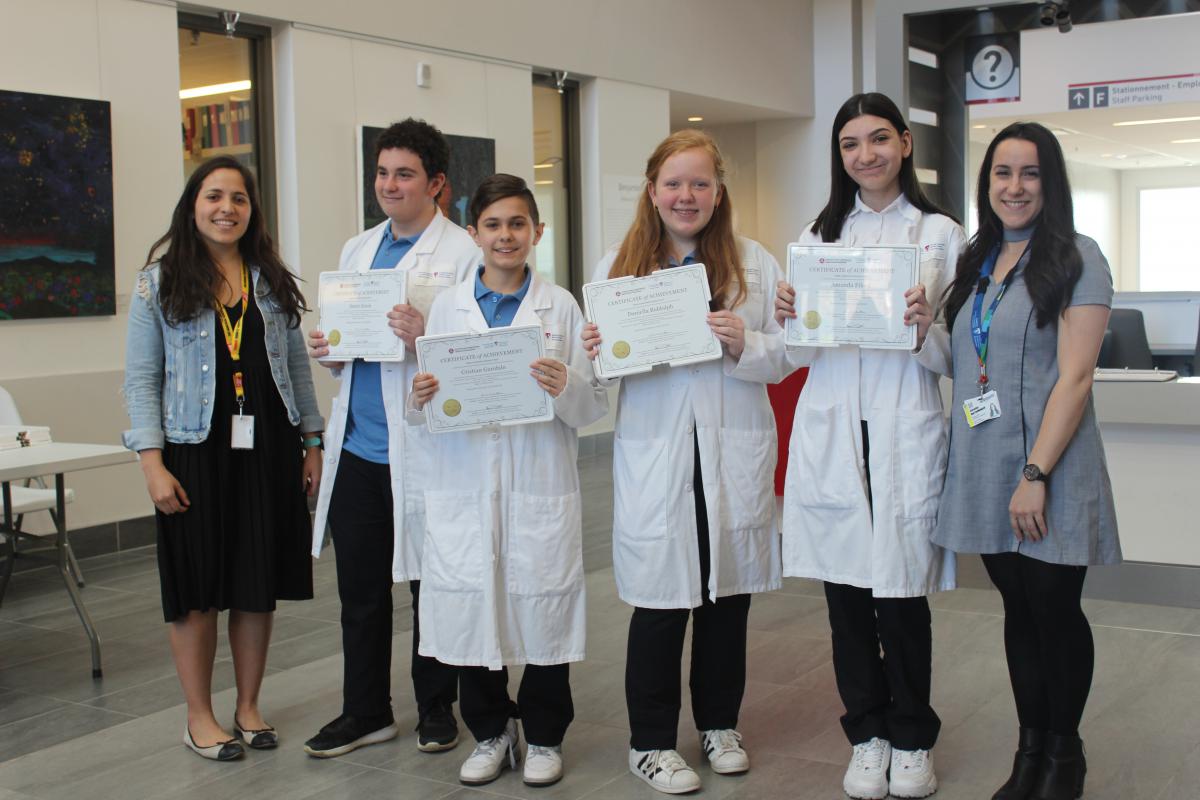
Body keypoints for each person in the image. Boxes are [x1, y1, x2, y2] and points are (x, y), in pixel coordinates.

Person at [582, 130, 786, 795]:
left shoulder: (753, 263)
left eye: (700, 183)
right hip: (659, 453)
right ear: (652, 190)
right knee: (660, 603)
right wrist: (596, 348)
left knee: (727, 598)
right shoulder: (620, 264)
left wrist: (746, 342)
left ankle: (720, 726)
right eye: (673, 183)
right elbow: (601, 375)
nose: (686, 196)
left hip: (729, 449)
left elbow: (789, 352)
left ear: (719, 192)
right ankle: (650, 744)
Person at [774, 92, 963, 800]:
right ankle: (868, 732)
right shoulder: (819, 233)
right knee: (847, 595)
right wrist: (789, 315)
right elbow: (799, 350)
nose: (866, 155)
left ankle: (913, 736)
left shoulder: (942, 234)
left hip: (901, 425)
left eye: (879, 139)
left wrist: (922, 329)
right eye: (851, 144)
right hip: (833, 427)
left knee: (902, 594)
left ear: (906, 144)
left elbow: (952, 355)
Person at [927, 121, 1120, 800]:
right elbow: (962, 359)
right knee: (1017, 608)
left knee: (1054, 606)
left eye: (1030, 173)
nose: (1014, 187)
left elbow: (1076, 378)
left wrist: (1034, 476)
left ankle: (1064, 758)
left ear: (1051, 182)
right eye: (1002, 173)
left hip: (1048, 465)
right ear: (988, 184)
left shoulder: (1077, 257)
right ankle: (1030, 751)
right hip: (984, 458)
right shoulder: (976, 260)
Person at [409, 174, 608, 787]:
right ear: (474, 234)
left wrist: (566, 385)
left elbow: (594, 403)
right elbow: (431, 410)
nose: (505, 236)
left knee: (544, 608)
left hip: (536, 481)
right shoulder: (447, 308)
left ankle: (544, 735)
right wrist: (422, 398)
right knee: (474, 608)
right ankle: (491, 731)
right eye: (493, 225)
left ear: (537, 232)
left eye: (517, 224)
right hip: (465, 483)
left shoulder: (563, 307)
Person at [122, 156, 323, 761]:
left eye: (238, 198)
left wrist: (311, 443)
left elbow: (295, 370)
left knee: (255, 583)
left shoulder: (270, 278)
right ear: (193, 205)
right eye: (214, 196)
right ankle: (200, 715)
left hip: (267, 448)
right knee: (196, 589)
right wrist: (151, 463)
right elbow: (140, 380)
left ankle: (249, 707)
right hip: (192, 452)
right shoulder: (158, 283)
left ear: (251, 210)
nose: (226, 208)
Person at [304, 119, 480, 758]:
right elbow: (352, 353)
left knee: (430, 583)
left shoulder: (463, 252)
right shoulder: (358, 249)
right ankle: (366, 711)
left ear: (436, 183)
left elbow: (478, 354)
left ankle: (436, 705)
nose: (388, 185)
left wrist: (424, 332)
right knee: (361, 588)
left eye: (403, 174)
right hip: (359, 445)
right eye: (381, 173)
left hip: (428, 445)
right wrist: (330, 350)